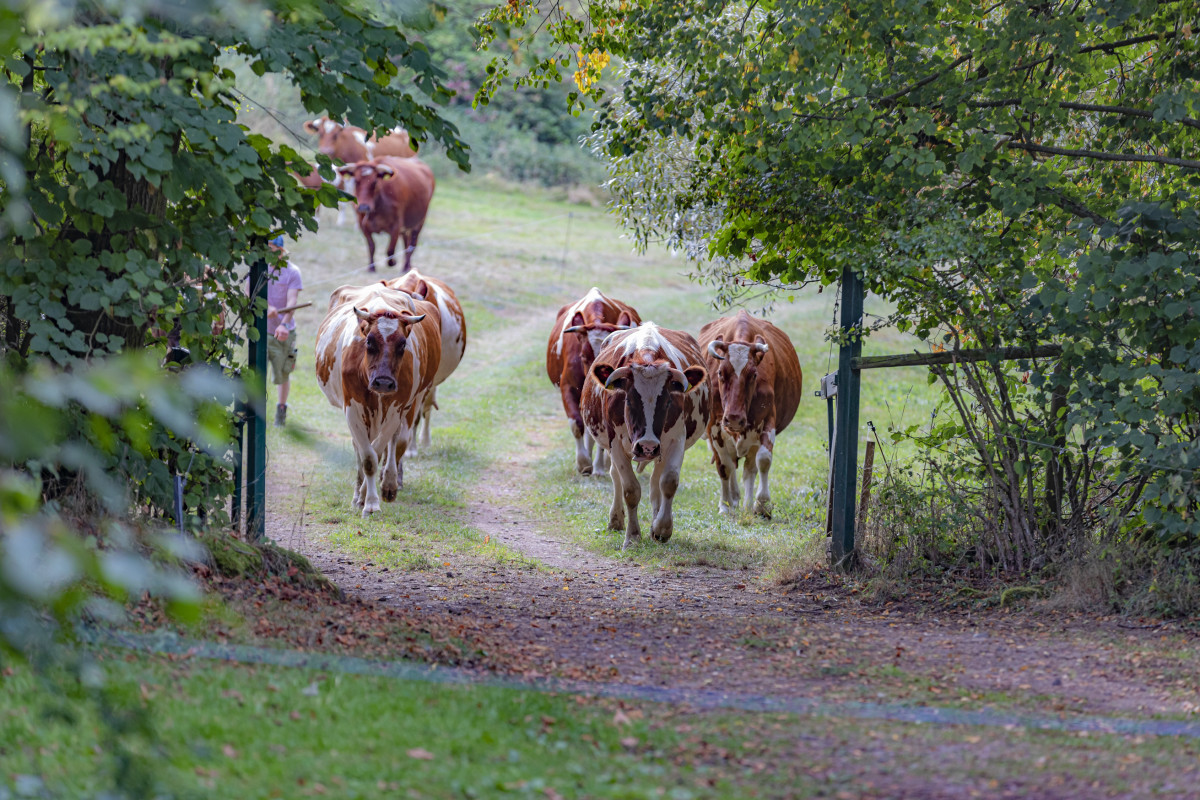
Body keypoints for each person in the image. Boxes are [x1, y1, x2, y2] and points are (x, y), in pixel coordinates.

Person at [265, 235, 303, 426]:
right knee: (256, 373)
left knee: (283, 374)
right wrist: (266, 307)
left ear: (280, 251)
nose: (268, 254)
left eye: (271, 250)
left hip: (284, 332)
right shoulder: (259, 269)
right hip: (262, 332)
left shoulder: (292, 272)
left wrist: (284, 324)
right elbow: (249, 292)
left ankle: (281, 410)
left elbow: (292, 302)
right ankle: (255, 411)